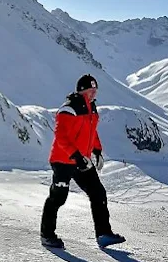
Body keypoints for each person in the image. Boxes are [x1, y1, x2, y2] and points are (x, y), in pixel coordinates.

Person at [40, 74, 125, 249]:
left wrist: (97, 150)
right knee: (58, 197)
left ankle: (103, 234)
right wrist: (77, 156)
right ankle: (47, 235)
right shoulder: (69, 109)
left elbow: (91, 133)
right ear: (81, 90)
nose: (93, 94)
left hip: (82, 161)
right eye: (90, 90)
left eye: (95, 91)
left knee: (98, 193)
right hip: (63, 160)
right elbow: (61, 137)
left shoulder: (91, 109)